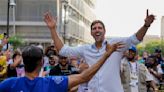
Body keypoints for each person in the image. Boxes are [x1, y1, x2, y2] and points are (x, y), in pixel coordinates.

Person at [44, 9, 155, 92]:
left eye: (99, 28)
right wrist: (53, 29)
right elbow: (63, 50)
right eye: (94, 28)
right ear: (91, 33)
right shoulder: (85, 49)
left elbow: (135, 39)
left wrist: (146, 25)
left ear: (104, 31)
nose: (97, 30)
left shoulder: (115, 44)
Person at [0, 42, 122, 92]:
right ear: (42, 63)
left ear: (23, 63)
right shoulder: (51, 83)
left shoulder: (9, 84)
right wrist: (106, 55)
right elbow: (85, 77)